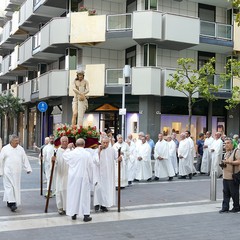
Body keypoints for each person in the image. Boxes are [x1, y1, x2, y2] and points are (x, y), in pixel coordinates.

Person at [62, 138, 93, 222]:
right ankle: (86, 215)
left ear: (75, 144)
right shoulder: (87, 154)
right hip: (84, 176)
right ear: (84, 144)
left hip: (73, 177)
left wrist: (68, 148)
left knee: (74, 195)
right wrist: (91, 179)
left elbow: (64, 155)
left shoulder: (72, 153)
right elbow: (90, 166)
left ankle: (73, 213)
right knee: (85, 196)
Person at [0, 135, 32, 212]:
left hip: (17, 172)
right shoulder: (5, 149)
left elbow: (24, 158)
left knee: (15, 188)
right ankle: (12, 204)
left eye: (18, 140)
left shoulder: (20, 149)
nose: (17, 142)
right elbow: (0, 160)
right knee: (9, 188)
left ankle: (9, 201)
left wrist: (28, 168)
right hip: (7, 172)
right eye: (15, 141)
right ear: (11, 141)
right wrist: (0, 172)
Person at [93, 136, 122, 212]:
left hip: (109, 174)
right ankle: (97, 204)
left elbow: (117, 157)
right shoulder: (97, 150)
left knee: (106, 189)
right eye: (104, 142)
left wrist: (120, 158)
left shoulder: (112, 150)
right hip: (99, 173)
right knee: (98, 188)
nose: (105, 144)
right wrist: (99, 152)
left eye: (107, 143)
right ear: (101, 142)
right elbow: (95, 161)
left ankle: (104, 205)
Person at [219, 138, 240, 213]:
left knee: (234, 193)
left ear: (232, 144)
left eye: (228, 143)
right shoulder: (226, 153)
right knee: (226, 193)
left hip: (233, 176)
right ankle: (225, 207)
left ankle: (236, 207)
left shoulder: (236, 151)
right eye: (225, 143)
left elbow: (239, 161)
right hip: (225, 176)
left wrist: (229, 162)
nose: (226, 145)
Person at [52, 136, 69, 215]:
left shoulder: (71, 151)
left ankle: (67, 207)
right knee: (59, 190)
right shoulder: (57, 151)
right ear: (60, 142)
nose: (64, 143)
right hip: (60, 174)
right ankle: (60, 207)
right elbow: (54, 164)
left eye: (66, 141)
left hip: (68, 174)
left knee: (67, 191)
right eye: (63, 141)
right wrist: (53, 161)